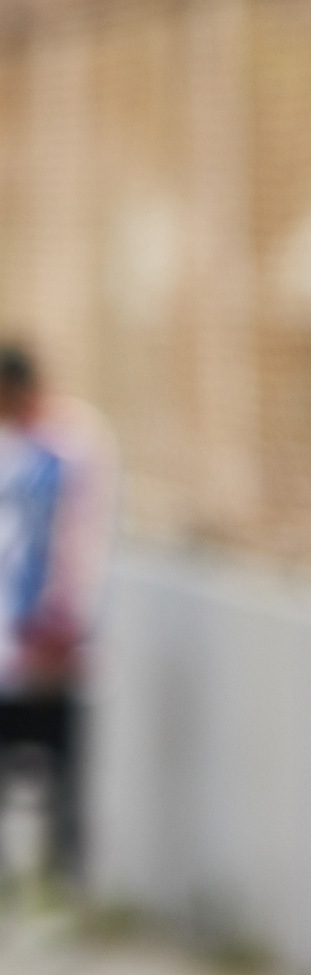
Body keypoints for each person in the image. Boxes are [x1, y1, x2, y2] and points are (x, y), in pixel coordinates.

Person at [0, 343, 115, 881]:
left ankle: (63, 881)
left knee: (61, 770)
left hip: (52, 638)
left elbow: (79, 538)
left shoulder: (68, 445)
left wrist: (63, 621)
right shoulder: (13, 446)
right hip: (11, 641)